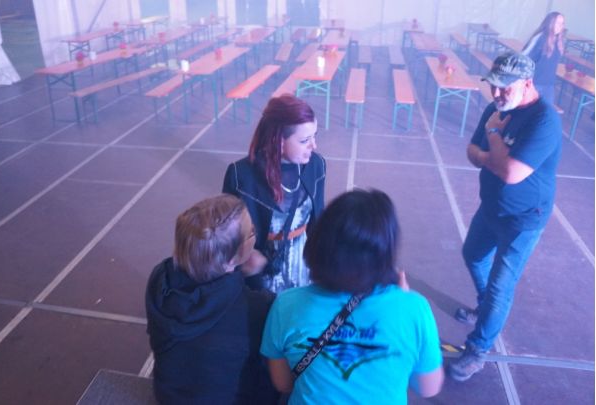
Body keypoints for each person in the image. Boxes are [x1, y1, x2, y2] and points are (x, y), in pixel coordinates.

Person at [260, 189, 444, 404]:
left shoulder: (286, 305)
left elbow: (283, 383)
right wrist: (403, 301)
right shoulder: (415, 308)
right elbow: (428, 387)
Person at [448, 52, 562, 381]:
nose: (496, 94)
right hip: (491, 207)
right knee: (472, 255)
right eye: (493, 86)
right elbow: (472, 152)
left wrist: (494, 137)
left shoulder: (544, 120)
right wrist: (493, 158)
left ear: (527, 83)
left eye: (504, 87)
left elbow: (512, 173)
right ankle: (486, 308)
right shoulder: (496, 109)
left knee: (501, 286)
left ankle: (477, 350)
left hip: (524, 219)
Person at [145, 194, 279, 404]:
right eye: (251, 232)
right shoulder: (259, 307)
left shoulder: (159, 280)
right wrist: (255, 277)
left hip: (169, 396)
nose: (255, 233)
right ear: (233, 257)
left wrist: (239, 272)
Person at [222, 94, 325, 292]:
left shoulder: (316, 165)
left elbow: (317, 221)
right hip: (261, 277)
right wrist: (247, 258)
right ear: (278, 141)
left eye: (315, 136)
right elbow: (228, 236)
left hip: (303, 268)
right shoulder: (241, 175)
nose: (314, 145)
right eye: (305, 140)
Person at [522, 11, 566, 103]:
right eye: (557, 23)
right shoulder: (540, 38)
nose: (560, 26)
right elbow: (524, 58)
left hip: (549, 85)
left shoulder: (558, 41)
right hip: (534, 83)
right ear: (550, 23)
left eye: (562, 24)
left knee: (546, 110)